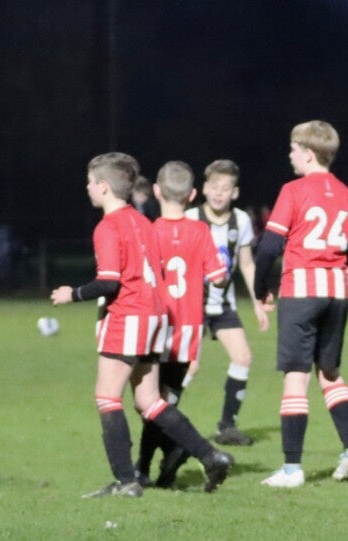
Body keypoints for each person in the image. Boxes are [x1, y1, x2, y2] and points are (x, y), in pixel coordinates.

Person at [50, 153, 233, 498]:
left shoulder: (108, 227)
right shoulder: (143, 221)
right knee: (149, 401)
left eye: (90, 182)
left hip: (128, 317)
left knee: (107, 397)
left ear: (104, 187)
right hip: (156, 317)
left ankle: (126, 481)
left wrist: (71, 294)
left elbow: (109, 282)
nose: (87, 188)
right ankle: (211, 456)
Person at [255, 120, 348, 488]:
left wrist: (260, 288)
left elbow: (269, 248)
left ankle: (292, 469)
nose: (290, 155)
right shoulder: (347, 194)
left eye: (293, 149)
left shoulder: (293, 190)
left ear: (307, 153)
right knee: (329, 372)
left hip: (301, 290)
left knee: (296, 376)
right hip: (338, 292)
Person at [136, 161, 231, 487]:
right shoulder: (201, 231)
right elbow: (218, 278)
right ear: (192, 195)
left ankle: (158, 460)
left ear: (156, 191)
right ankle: (156, 461)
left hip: (155, 329)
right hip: (187, 331)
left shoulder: (149, 233)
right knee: (163, 401)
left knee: (150, 402)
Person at [183, 159, 267, 446]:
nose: (219, 193)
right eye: (214, 187)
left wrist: (257, 301)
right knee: (190, 367)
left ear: (235, 192)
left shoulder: (241, 221)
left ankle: (227, 427)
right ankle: (161, 419)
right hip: (191, 305)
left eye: (225, 188)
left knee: (243, 356)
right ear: (204, 188)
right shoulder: (191, 218)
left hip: (223, 305)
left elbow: (246, 263)